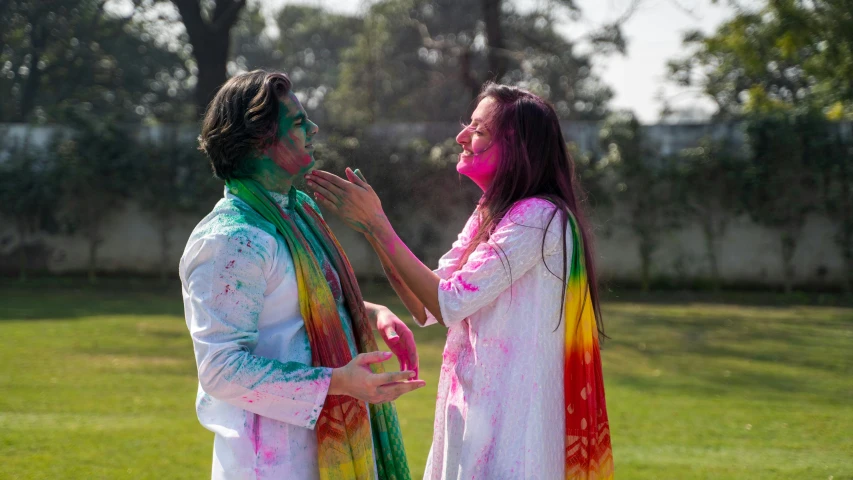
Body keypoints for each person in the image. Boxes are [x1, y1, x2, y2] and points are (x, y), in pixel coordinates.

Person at [305, 83, 614, 479]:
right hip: (477, 419)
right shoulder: (492, 212)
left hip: (516, 432)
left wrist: (377, 224)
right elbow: (425, 305)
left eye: (479, 130)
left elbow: (447, 303)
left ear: (518, 146)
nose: (461, 137)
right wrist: (370, 229)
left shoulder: (538, 216)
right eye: (467, 125)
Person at [179, 70, 424, 480]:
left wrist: (372, 311)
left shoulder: (298, 211)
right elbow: (221, 369)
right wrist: (337, 382)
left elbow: (292, 302)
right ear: (261, 140)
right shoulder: (232, 240)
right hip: (272, 457)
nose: (313, 128)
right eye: (297, 122)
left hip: (322, 441)